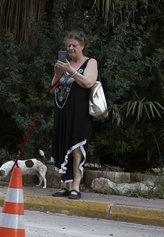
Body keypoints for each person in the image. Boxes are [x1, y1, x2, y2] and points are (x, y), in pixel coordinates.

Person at [50, 30, 98, 200]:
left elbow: (88, 82)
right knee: (64, 147)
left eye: (74, 45)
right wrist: (58, 73)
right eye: (68, 45)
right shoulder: (65, 64)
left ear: (82, 46)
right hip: (63, 112)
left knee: (77, 149)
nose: (70, 48)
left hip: (79, 114)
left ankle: (76, 187)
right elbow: (52, 89)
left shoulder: (90, 62)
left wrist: (70, 70)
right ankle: (66, 186)